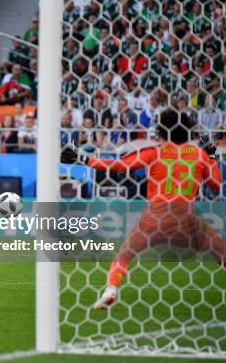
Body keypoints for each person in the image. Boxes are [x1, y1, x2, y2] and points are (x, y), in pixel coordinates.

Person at [61, 109, 224, 310]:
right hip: (187, 221)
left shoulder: (155, 152)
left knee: (124, 254)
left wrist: (83, 159)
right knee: (220, 250)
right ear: (187, 131)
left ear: (161, 132)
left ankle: (111, 289)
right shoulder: (200, 155)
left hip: (154, 220)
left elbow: (119, 166)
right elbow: (216, 185)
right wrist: (212, 156)